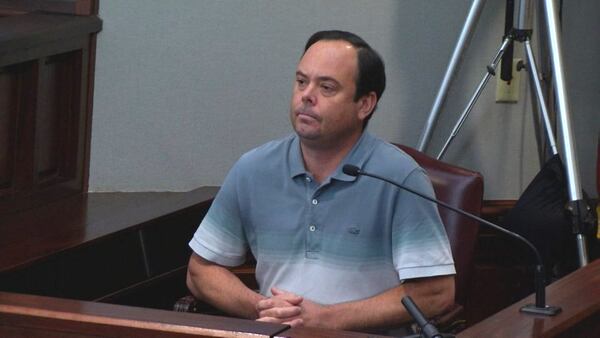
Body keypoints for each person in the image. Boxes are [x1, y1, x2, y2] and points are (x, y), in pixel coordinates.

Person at [186, 30, 455, 332]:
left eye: (326, 87)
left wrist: (326, 320)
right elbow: (201, 271)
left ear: (364, 104)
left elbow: (436, 293)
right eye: (301, 82)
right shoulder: (253, 169)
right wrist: (262, 308)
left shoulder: (398, 177)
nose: (306, 96)